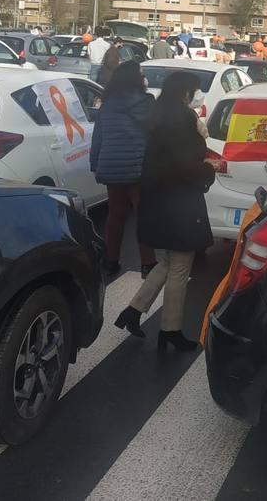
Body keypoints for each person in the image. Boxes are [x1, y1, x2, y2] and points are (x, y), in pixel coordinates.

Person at [114, 71, 214, 351]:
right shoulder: (183, 119)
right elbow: (187, 164)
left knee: (169, 261)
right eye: (193, 91)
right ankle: (171, 330)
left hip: (159, 198)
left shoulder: (158, 114)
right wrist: (208, 168)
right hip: (180, 201)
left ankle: (132, 311)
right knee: (181, 266)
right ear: (185, 92)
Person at [90, 61, 156, 278]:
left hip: (111, 166)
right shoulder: (146, 103)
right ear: (136, 79)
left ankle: (111, 260)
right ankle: (147, 263)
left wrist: (95, 164)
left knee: (115, 215)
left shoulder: (107, 105)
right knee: (143, 216)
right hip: (138, 166)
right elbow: (154, 133)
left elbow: (98, 137)